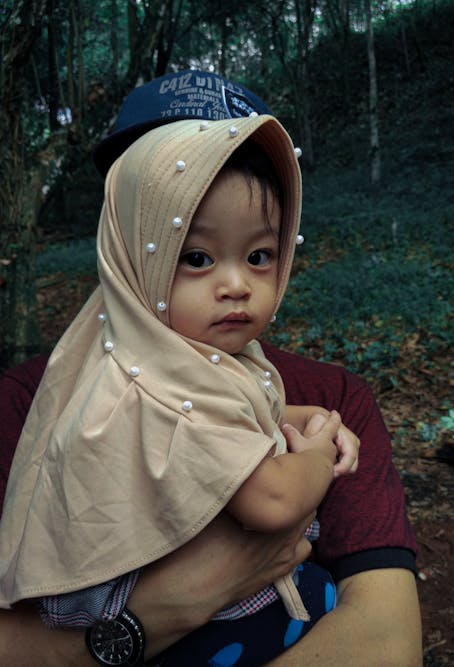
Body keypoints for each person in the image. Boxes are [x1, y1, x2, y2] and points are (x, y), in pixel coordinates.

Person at [0, 71, 422, 666]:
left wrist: (303, 415)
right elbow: (271, 501)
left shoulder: (325, 391)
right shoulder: (33, 405)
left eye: (258, 256)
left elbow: (387, 636)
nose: (235, 285)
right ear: (125, 243)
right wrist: (319, 451)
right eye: (192, 255)